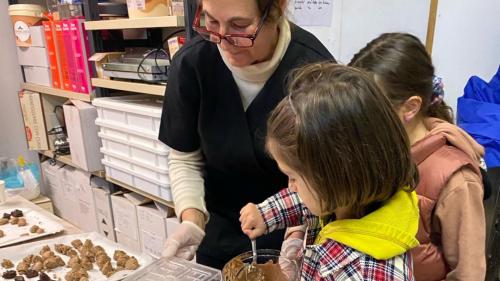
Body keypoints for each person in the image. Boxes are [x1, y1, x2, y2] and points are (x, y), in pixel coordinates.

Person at [158, 0, 334, 269]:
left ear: (276, 10)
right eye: (211, 22)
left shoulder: (314, 70)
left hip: (290, 233)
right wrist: (191, 219)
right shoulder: (193, 63)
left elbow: (322, 177)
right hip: (217, 232)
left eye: (239, 26)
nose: (223, 41)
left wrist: (296, 235)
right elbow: (185, 157)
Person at [240, 63, 420, 280]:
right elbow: (305, 199)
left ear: (336, 177)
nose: (291, 186)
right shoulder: (349, 199)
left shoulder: (368, 274)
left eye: (294, 177)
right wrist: (265, 213)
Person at [349, 32, 486, 280]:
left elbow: (468, 274)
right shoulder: (373, 147)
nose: (358, 116)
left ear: (410, 107)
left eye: (370, 106)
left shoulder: (457, 180)